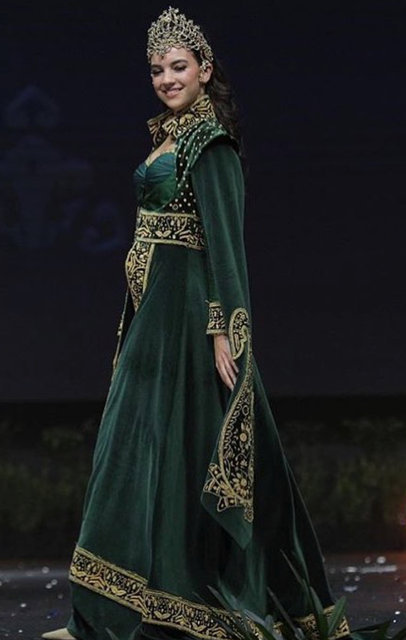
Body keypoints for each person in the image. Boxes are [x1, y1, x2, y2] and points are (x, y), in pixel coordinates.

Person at [42, 7, 350, 640]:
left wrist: (222, 327)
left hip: (186, 321)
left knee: (167, 450)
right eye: (157, 69)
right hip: (155, 316)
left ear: (205, 70)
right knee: (133, 453)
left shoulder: (209, 144)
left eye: (178, 66)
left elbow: (224, 242)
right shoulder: (170, 136)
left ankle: (142, 610)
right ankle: (102, 612)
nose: (166, 78)